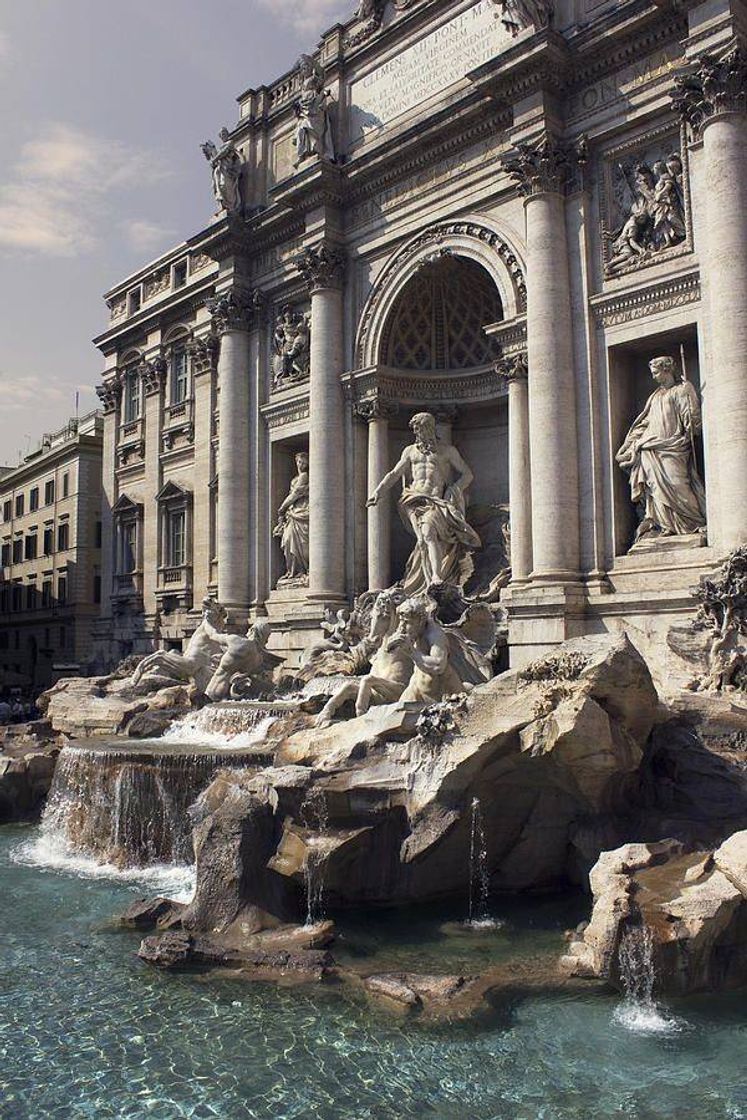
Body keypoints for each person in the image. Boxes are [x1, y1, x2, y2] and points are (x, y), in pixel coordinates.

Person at [367, 412, 481, 594]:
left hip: (435, 500)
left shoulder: (447, 451)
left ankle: (436, 576)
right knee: (421, 540)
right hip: (412, 499)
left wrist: (454, 489)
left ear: (428, 428)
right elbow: (394, 474)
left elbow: (468, 474)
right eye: (414, 430)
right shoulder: (409, 451)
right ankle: (428, 580)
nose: (416, 433)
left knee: (428, 533)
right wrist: (378, 492)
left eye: (418, 428)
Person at [616, 355, 706, 544]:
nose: (654, 377)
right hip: (650, 448)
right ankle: (664, 526)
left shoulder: (682, 389)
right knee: (655, 489)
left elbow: (692, 420)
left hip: (674, 446)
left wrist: (692, 422)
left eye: (656, 372)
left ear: (667, 370)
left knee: (678, 483)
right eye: (652, 373)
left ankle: (692, 523)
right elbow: (644, 423)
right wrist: (629, 445)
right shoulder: (655, 396)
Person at [273, 452, 310, 583]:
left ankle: (301, 570)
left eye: (304, 462)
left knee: (301, 543)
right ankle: (293, 571)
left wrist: (282, 508)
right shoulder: (295, 478)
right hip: (293, 513)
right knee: (288, 541)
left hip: (302, 511)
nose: (301, 465)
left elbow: (295, 494)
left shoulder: (304, 477)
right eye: (299, 462)